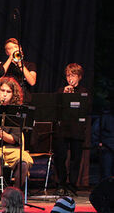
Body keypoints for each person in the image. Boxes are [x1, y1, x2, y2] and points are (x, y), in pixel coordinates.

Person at [54, 63, 88, 196]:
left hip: (77, 129)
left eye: (73, 75)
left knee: (76, 158)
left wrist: (73, 96)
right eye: (68, 75)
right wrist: (64, 95)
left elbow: (85, 110)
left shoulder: (84, 92)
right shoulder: (61, 91)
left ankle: (73, 184)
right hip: (63, 129)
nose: (70, 78)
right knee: (60, 157)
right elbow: (55, 108)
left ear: (79, 77)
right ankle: (61, 183)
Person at [1, 38, 37, 103]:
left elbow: (32, 82)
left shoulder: (30, 65)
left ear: (20, 49)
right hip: (8, 100)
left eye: (15, 47)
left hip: (25, 99)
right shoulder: (4, 65)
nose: (14, 50)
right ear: (7, 52)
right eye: (10, 49)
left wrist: (20, 63)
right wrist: (10, 59)